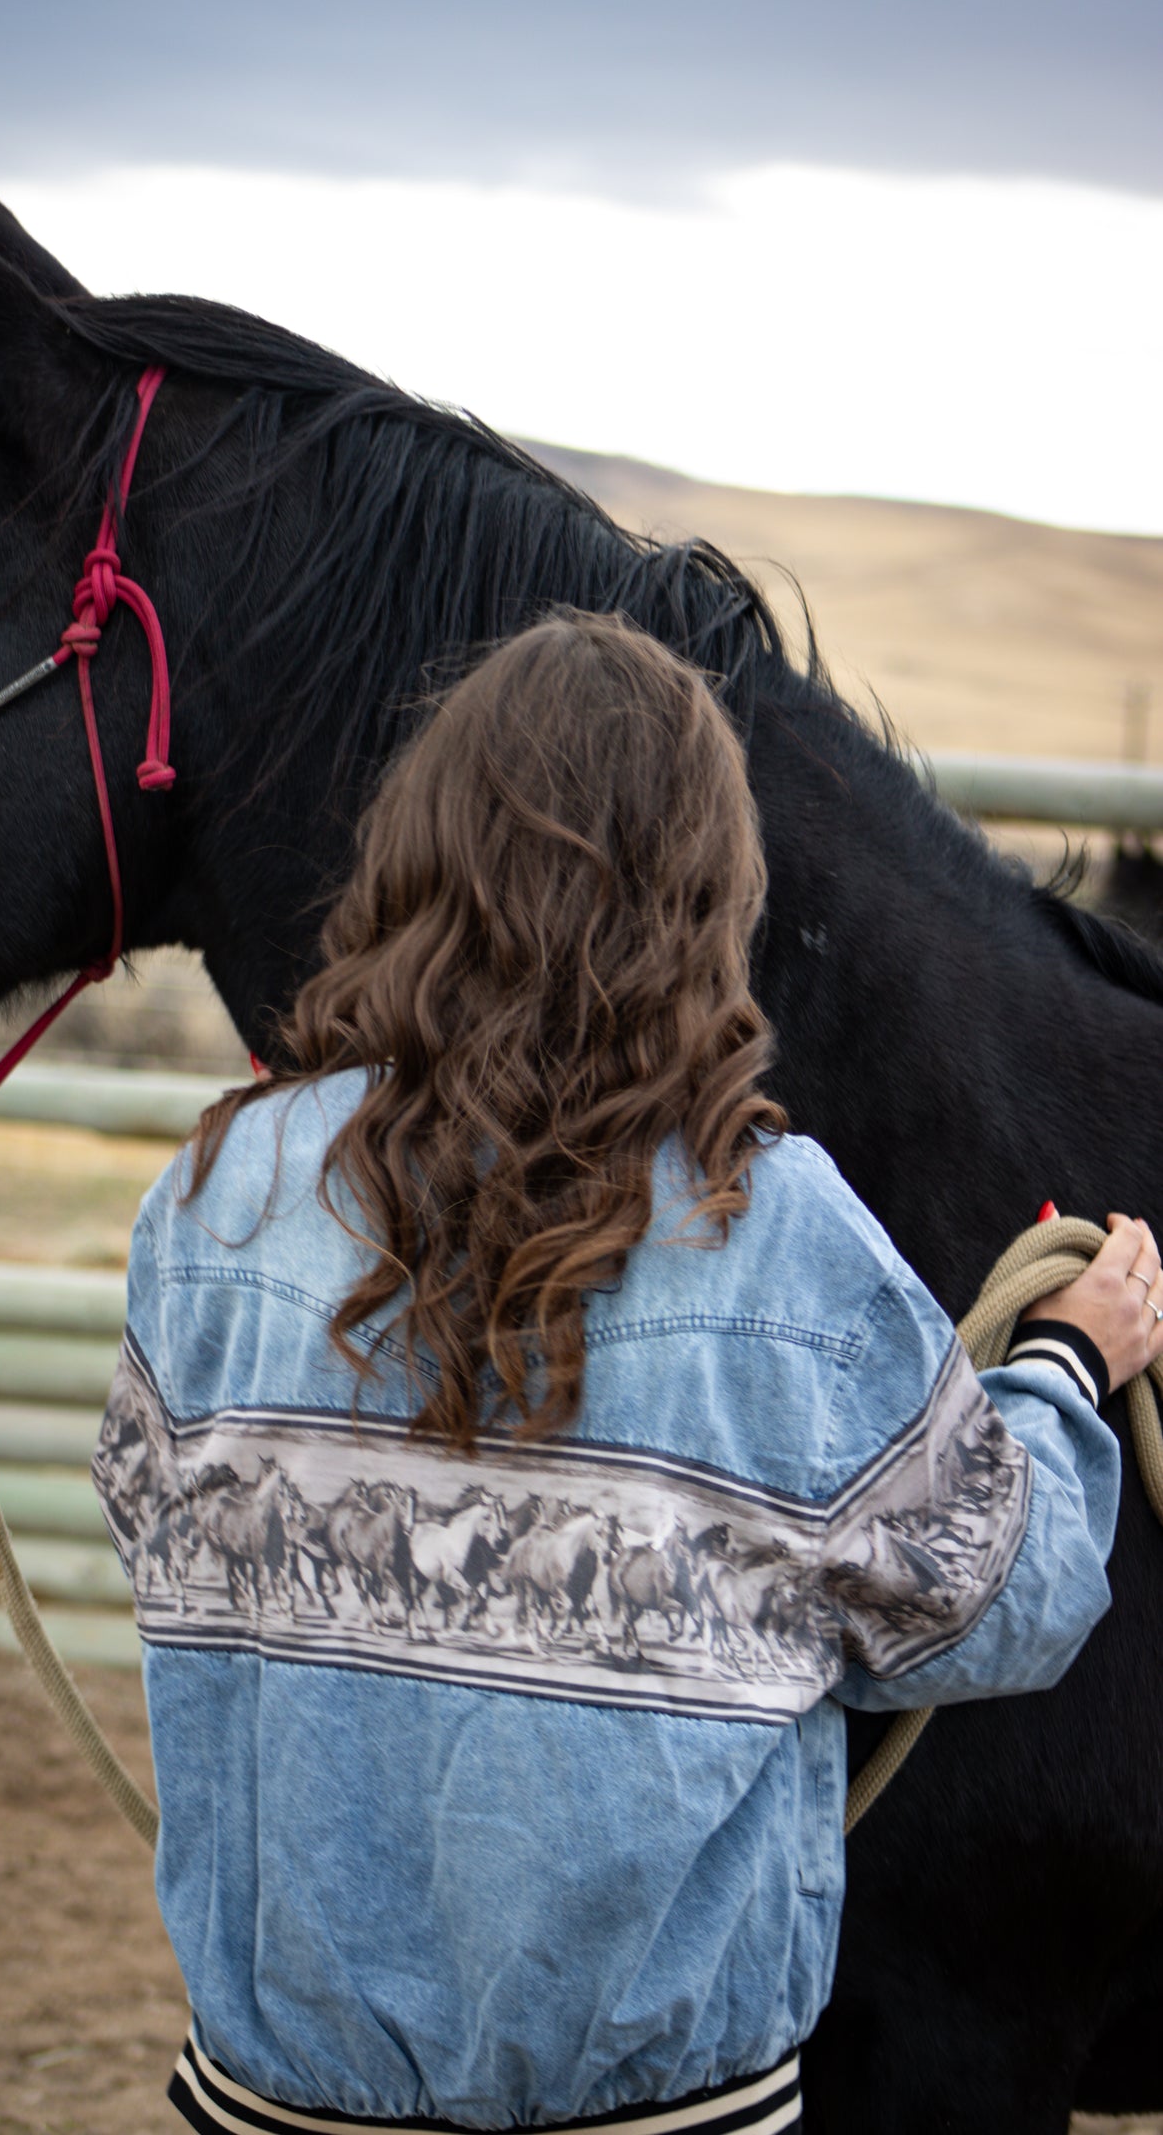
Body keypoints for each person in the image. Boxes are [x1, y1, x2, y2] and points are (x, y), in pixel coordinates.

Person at [92, 612, 1161, 2135]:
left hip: (272, 2104)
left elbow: (156, 1522)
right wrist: (1064, 1363)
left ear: (411, 858)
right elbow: (984, 1603)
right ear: (707, 897)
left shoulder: (212, 1200)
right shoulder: (776, 1234)